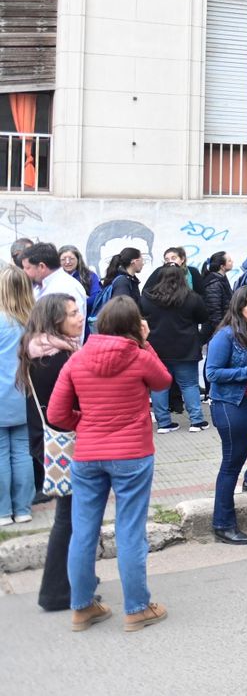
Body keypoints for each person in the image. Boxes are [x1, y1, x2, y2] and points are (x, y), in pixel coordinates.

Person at [47, 296, 172, 632]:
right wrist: (146, 343)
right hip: (132, 454)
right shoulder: (138, 355)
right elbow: (163, 382)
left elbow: (56, 414)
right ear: (135, 324)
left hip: (88, 455)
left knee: (83, 531)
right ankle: (137, 609)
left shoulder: (77, 359)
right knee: (130, 531)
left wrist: (86, 423)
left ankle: (83, 607)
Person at [20, 293, 83, 609]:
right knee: (68, 519)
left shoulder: (39, 350)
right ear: (55, 320)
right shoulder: (56, 358)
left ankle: (69, 581)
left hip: (48, 442)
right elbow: (69, 407)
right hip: (63, 444)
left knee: (70, 517)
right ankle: (56, 590)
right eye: (72, 313)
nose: (79, 317)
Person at [205, 287, 247, 544]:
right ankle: (222, 524)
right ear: (239, 307)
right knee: (231, 463)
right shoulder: (227, 335)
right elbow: (212, 373)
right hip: (232, 404)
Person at [139, 266, 209, 433]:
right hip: (186, 348)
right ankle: (196, 421)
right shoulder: (192, 298)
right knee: (189, 385)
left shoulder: (147, 298)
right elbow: (203, 317)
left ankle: (163, 423)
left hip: (157, 349)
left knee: (159, 386)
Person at [0, 267, 35, 526]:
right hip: (25, 393)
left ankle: (3, 511)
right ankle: (23, 508)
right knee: (23, 452)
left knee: (1, 453)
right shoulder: (34, 321)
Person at [21, 242, 88, 310]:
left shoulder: (67, 288)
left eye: (27, 268)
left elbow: (74, 319)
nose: (24, 272)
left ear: (42, 267)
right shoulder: (37, 287)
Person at [200, 252, 233, 340]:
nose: (232, 262)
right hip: (215, 330)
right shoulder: (214, 283)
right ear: (222, 266)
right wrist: (220, 330)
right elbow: (214, 311)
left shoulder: (221, 279)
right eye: (229, 261)